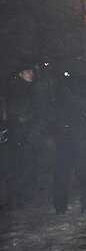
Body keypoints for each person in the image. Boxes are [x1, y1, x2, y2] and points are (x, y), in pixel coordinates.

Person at [53, 72, 86, 214]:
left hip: (64, 137)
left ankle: (60, 205)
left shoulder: (61, 95)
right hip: (85, 138)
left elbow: (54, 117)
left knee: (62, 172)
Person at [6, 60, 45, 208]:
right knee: (22, 166)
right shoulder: (19, 89)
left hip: (26, 134)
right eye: (28, 72)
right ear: (21, 74)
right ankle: (19, 199)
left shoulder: (27, 88)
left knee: (26, 166)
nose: (31, 74)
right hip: (22, 135)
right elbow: (20, 112)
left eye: (32, 72)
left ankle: (23, 197)